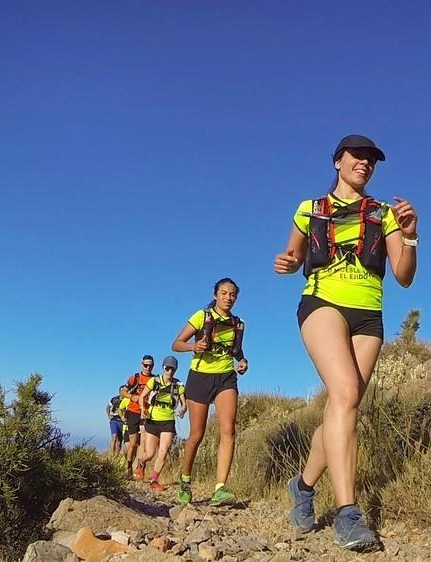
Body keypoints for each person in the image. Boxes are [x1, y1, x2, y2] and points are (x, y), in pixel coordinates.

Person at [273, 134, 418, 552]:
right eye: (359, 156)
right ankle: (348, 515)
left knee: (344, 405)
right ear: (338, 161)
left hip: (369, 314)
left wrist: (410, 235)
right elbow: (294, 256)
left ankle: (301, 487)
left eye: (372, 160)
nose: (366, 163)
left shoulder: (385, 213)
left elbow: (404, 276)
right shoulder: (309, 209)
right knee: (347, 392)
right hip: (321, 303)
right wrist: (287, 264)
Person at [171, 278, 248, 506]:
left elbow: (237, 351)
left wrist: (242, 361)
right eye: (224, 293)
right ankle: (185, 480)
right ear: (216, 295)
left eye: (232, 294)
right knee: (197, 434)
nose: (228, 298)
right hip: (200, 377)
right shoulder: (201, 316)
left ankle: (220, 488)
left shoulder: (238, 323)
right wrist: (194, 346)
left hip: (226, 377)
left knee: (228, 430)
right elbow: (176, 344)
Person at [135, 355, 187, 492]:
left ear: (175, 370)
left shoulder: (178, 386)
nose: (170, 371)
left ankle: (154, 480)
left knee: (163, 452)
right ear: (163, 368)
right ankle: (141, 463)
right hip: (152, 420)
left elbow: (184, 404)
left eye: (172, 369)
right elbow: (142, 397)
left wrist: (182, 410)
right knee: (150, 454)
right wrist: (142, 410)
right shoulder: (154, 381)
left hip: (168, 421)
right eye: (167, 368)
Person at [124, 355, 155, 479]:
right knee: (133, 442)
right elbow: (123, 391)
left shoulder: (155, 379)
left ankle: (140, 468)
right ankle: (129, 468)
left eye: (150, 365)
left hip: (147, 413)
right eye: (146, 365)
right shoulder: (135, 378)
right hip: (133, 411)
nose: (148, 367)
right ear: (142, 365)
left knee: (144, 442)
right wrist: (132, 397)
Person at [107, 386, 128, 457]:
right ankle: (111, 456)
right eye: (123, 391)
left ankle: (116, 457)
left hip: (123, 422)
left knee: (119, 441)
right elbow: (108, 407)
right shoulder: (114, 399)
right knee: (114, 437)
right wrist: (109, 415)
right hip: (114, 420)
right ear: (119, 391)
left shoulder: (127, 400)